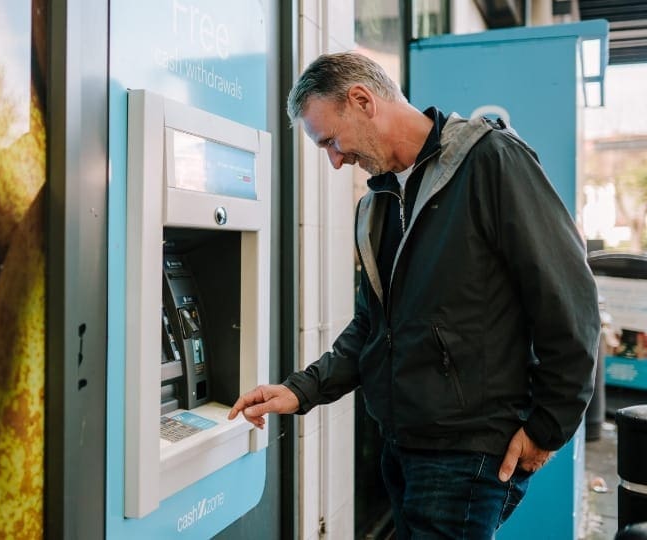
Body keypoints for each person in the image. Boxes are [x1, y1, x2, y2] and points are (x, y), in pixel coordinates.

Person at [228, 52, 600, 538]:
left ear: (362, 101)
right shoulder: (376, 203)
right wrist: (301, 390)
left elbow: (570, 299)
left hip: (466, 454)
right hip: (402, 450)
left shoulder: (489, 160)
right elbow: (372, 326)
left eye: (331, 141)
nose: (336, 161)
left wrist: (548, 427)